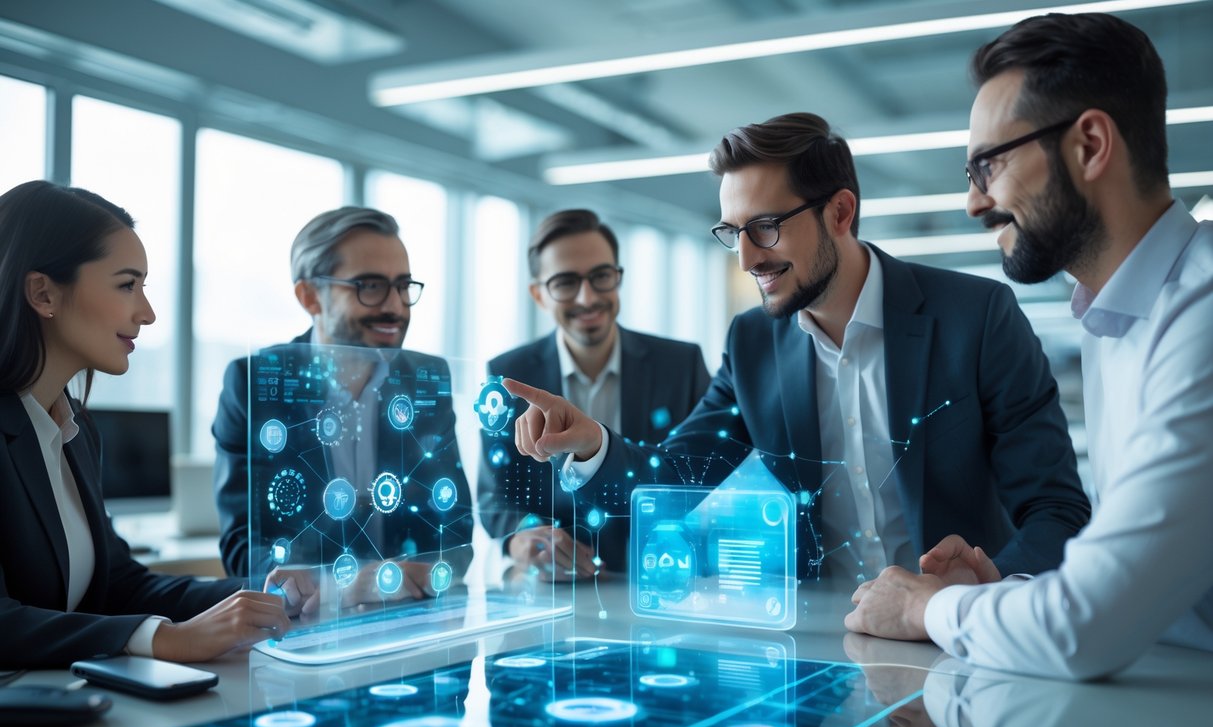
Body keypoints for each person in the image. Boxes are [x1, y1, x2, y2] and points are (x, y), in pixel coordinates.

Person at [506, 112, 1089, 585]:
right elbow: (679, 477)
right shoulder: (753, 342)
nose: (747, 258)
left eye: (765, 226)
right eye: (733, 233)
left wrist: (986, 592)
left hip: (965, 643)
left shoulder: (976, 317)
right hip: (822, 651)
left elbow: (1056, 510)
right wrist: (592, 444)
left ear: (840, 212)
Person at [844, 12, 1213, 680]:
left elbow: (1087, 626)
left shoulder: (1202, 311)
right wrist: (1002, 595)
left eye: (988, 164)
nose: (971, 203)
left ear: (1090, 145)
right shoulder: (1115, 319)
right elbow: (1127, 584)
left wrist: (933, 607)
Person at [0, 180, 289, 669]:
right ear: (43, 293)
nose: (148, 313)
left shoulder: (76, 433)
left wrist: (263, 592)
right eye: (126, 285)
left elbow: (120, 585)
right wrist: (161, 640)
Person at [212, 207, 473, 587]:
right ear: (310, 297)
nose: (395, 307)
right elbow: (242, 548)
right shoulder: (255, 384)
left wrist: (408, 579)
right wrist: (332, 587)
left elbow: (456, 531)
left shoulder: (426, 380)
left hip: (410, 613)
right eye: (369, 286)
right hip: (307, 625)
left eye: (402, 286)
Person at [478, 208, 711, 578]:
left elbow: (705, 475)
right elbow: (494, 495)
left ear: (618, 278)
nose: (588, 298)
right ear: (539, 295)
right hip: (555, 587)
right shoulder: (509, 375)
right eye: (566, 282)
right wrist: (521, 537)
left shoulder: (681, 365)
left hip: (662, 578)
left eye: (601, 276)